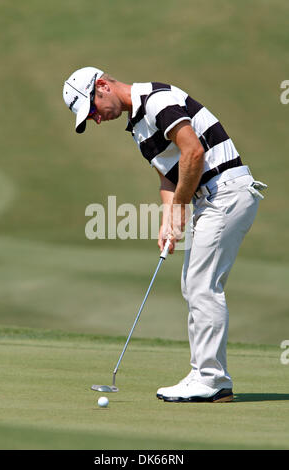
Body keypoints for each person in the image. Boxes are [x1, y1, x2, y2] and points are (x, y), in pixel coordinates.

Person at [63, 67, 267, 403]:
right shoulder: (139, 128)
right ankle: (203, 373)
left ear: (102, 86)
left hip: (226, 192)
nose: (97, 119)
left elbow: (193, 153)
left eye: (94, 109)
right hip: (211, 197)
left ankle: (213, 380)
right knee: (193, 284)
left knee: (202, 284)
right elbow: (169, 177)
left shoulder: (158, 101)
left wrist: (181, 208)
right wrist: (169, 219)